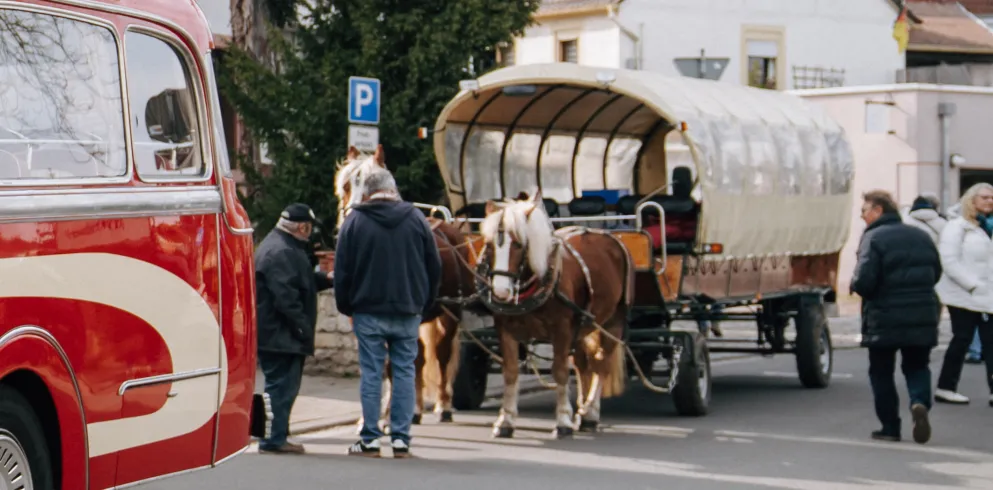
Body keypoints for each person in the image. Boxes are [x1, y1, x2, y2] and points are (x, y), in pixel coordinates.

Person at [334, 167, 441, 458]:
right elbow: (434, 266)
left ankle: (370, 438)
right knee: (404, 372)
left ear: (367, 193)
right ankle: (401, 439)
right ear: (393, 190)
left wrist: (346, 306)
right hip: (407, 310)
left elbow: (342, 271)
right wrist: (424, 304)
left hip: (367, 310)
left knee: (372, 373)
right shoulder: (416, 219)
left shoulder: (354, 221)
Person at [851, 190, 942, 444]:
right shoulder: (921, 235)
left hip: (884, 315)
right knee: (917, 365)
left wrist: (857, 286)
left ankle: (890, 426)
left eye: (864, 211)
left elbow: (864, 280)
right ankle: (919, 402)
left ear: (878, 210)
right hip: (922, 311)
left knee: (881, 371)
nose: (862, 216)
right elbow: (936, 271)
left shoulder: (873, 237)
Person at [254, 203, 334, 454]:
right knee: (280, 388)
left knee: (278, 387)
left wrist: (325, 279)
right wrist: (302, 329)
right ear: (302, 227)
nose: (310, 233)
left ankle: (276, 434)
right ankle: (273, 439)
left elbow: (301, 282)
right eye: (308, 228)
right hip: (280, 335)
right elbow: (286, 298)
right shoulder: (282, 251)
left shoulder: (280, 246)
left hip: (276, 333)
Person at [933, 183, 993, 406]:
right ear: (971, 199)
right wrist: (972, 285)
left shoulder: (989, 226)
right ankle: (946, 387)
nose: (990, 201)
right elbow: (949, 260)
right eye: (985, 197)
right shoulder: (957, 226)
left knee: (991, 342)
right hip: (963, 295)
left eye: (992, 198)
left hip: (988, 294)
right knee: (962, 339)